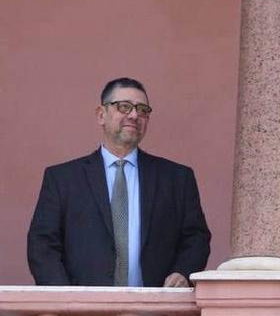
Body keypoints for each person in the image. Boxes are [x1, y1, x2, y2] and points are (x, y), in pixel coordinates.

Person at [27, 78, 211, 286]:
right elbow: (42, 245)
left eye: (142, 109)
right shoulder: (63, 179)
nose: (134, 115)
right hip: (82, 312)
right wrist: (65, 299)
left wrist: (182, 272)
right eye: (124, 107)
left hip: (155, 310)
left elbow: (196, 238)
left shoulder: (177, 179)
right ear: (101, 115)